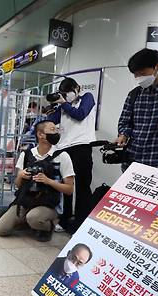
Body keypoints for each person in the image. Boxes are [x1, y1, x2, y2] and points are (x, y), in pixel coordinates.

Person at [0, 120, 75, 241]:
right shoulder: (26, 154)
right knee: (2, 229)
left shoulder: (62, 156)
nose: (56, 133)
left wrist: (48, 181)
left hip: (49, 203)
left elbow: (69, 189)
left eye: (57, 130)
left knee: (34, 218)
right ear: (40, 134)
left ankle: (48, 225)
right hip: (26, 200)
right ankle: (27, 221)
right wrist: (20, 176)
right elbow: (17, 185)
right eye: (52, 130)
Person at [46, 77, 97, 233]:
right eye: (64, 93)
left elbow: (80, 114)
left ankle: (81, 222)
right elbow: (52, 121)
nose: (66, 95)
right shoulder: (62, 106)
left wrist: (63, 103)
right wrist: (53, 109)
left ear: (77, 88)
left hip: (81, 146)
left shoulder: (87, 97)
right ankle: (65, 218)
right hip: (64, 148)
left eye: (68, 92)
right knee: (66, 186)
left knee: (82, 186)